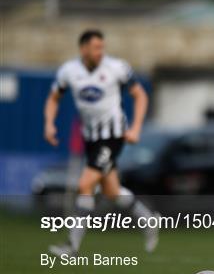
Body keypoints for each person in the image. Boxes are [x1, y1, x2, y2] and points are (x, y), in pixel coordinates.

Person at [44, 29, 159, 256]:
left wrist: (135, 127)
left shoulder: (116, 68)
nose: (100, 52)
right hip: (91, 138)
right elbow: (54, 97)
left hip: (112, 135)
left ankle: (72, 246)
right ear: (83, 48)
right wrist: (49, 123)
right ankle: (149, 220)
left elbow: (140, 95)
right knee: (112, 191)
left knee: (85, 184)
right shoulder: (69, 71)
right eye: (96, 48)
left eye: (102, 47)